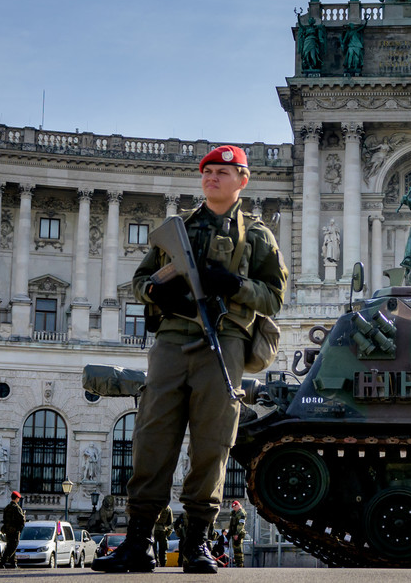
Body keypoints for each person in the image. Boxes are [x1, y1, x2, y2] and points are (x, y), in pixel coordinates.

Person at [93, 145, 288, 575]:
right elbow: (142, 279)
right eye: (207, 172)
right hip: (171, 340)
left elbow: (273, 296)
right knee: (152, 436)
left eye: (222, 172)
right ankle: (138, 541)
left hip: (225, 343)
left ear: (243, 179)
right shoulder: (175, 228)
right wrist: (155, 292)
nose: (212, 178)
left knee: (213, 443)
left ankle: (197, 542)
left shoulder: (257, 236)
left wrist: (234, 284)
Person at [0, 491, 26, 568]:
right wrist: (20, 529)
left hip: (8, 530)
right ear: (17, 498)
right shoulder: (17, 508)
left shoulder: (7, 507)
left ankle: (13, 563)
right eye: (18, 498)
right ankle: (3, 562)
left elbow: (5, 519)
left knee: (10, 545)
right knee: (12, 547)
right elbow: (22, 520)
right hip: (14, 530)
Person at [228, 500, 246, 567]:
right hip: (233, 532)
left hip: (238, 533)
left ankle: (240, 564)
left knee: (238, 549)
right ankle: (238, 563)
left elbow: (241, 524)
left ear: (239, 506)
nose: (234, 508)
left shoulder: (241, 514)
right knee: (235, 549)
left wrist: (237, 533)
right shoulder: (234, 513)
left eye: (235, 507)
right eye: (233, 507)